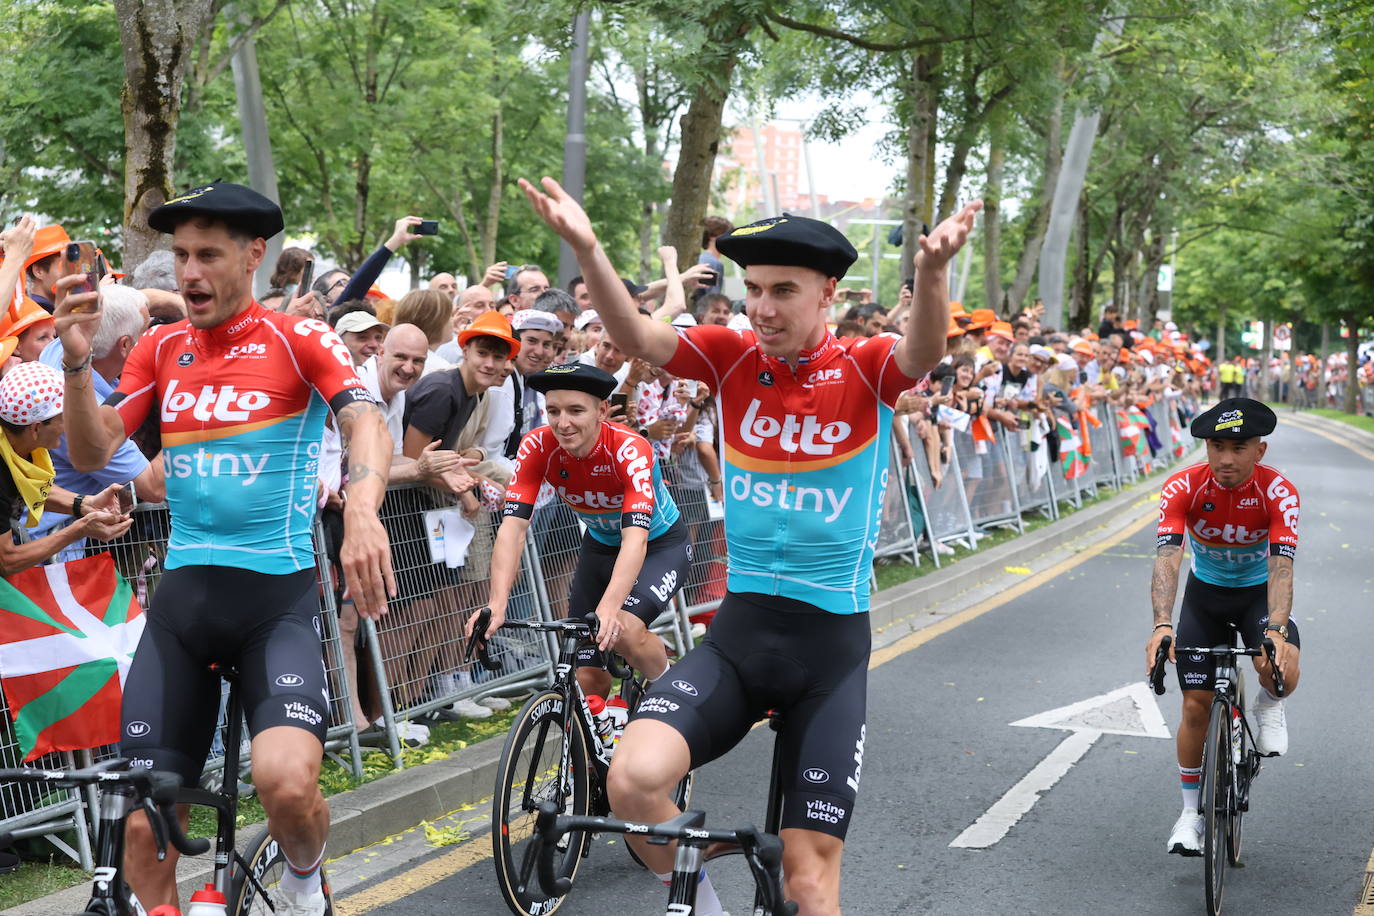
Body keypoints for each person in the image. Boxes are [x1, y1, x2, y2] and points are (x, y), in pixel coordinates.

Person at [519, 174, 979, 916]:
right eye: (754, 288)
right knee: (630, 781)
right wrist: (588, 246)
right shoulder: (730, 355)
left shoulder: (863, 366)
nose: (762, 307)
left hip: (828, 653)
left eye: (783, 291)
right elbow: (636, 338)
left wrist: (931, 274)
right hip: (739, 637)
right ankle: (703, 899)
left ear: (828, 293)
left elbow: (922, 350)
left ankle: (778, 868)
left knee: (806, 883)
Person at [51, 182, 395, 916]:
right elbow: (90, 448)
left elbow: (366, 422)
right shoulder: (160, 347)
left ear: (254, 254)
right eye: (180, 255)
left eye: (208, 254)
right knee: (139, 822)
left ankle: (305, 880)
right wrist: (77, 364)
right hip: (182, 607)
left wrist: (362, 511)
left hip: (276, 601)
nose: (190, 272)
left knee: (287, 785)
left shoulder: (298, 339)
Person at [474, 363, 689, 699]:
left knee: (626, 634)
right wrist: (497, 604)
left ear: (602, 410)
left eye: (576, 411)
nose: (563, 423)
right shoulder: (537, 446)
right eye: (554, 411)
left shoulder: (628, 449)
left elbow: (636, 537)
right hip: (600, 548)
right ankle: (600, 744)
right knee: (587, 676)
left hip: (659, 546)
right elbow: (513, 528)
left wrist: (609, 607)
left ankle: (670, 690)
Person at [1145, 398, 1300, 858]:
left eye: (1238, 447)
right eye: (1216, 446)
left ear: (1260, 450)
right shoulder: (1182, 488)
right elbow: (1167, 559)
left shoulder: (1279, 493)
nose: (1226, 459)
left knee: (1279, 669)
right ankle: (1190, 815)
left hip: (1257, 595)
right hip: (1206, 596)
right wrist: (1161, 624)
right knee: (1195, 704)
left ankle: (1268, 706)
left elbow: (1282, 567)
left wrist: (1275, 630)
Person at [0, 361, 133, 574]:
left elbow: (28, 487)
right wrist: (78, 530)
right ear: (36, 427)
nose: (70, 425)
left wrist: (84, 504)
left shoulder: (16, 444)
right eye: (63, 419)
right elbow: (5, 560)